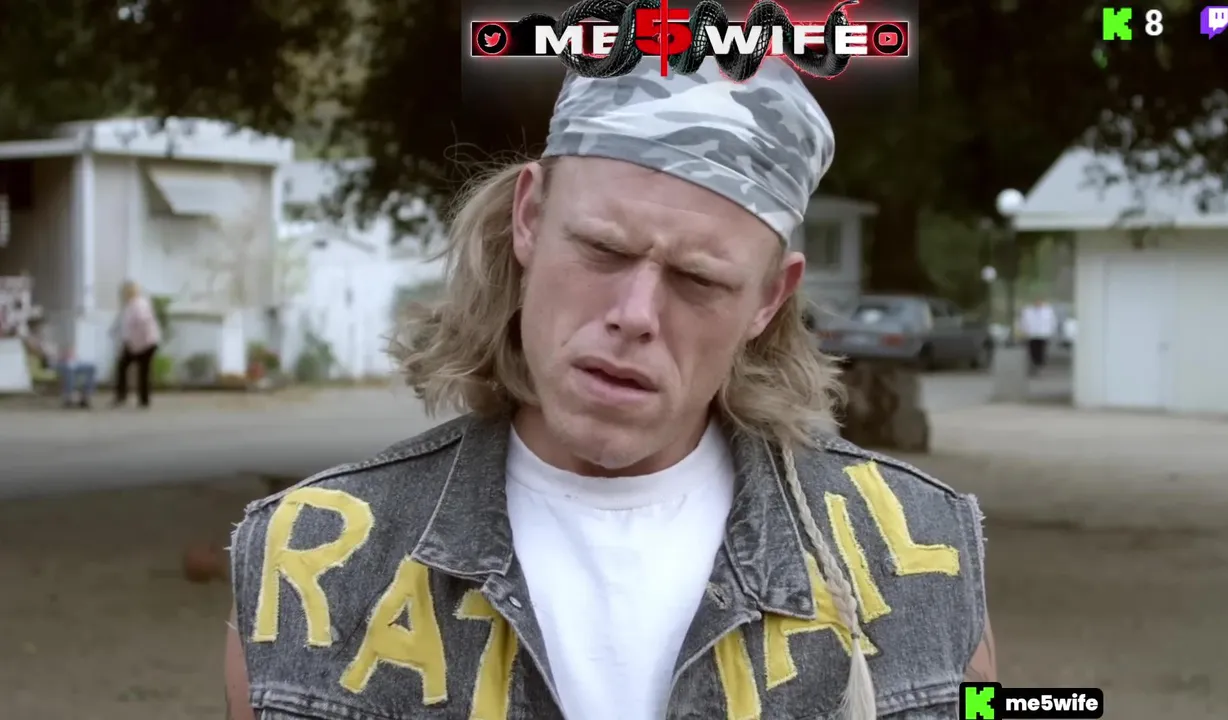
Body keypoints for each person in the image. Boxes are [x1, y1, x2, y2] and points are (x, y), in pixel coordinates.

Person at [224, 58, 994, 720]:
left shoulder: (921, 560)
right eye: (601, 249)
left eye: (698, 279)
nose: (635, 315)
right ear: (530, 218)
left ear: (769, 299)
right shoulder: (307, 567)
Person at [20, 315, 96, 408]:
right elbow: (39, 354)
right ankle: (68, 397)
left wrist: (64, 354)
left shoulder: (45, 338)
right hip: (48, 363)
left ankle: (86, 396)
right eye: (39, 326)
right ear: (33, 326)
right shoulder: (30, 339)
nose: (42, 328)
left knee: (90, 368)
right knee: (68, 370)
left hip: (61, 360)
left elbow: (55, 350)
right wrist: (50, 354)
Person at [112, 280, 161, 408]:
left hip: (144, 343)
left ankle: (133, 398)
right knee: (134, 369)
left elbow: (142, 322)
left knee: (135, 369)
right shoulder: (132, 304)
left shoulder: (138, 304)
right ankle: (138, 399)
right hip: (140, 343)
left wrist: (134, 342)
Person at [1018, 297, 1057, 374]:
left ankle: (1039, 364)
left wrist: (1051, 331)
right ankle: (1034, 364)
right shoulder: (1028, 311)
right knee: (1033, 350)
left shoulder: (1047, 311)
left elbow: (1052, 322)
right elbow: (1023, 321)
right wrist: (1023, 330)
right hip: (1032, 334)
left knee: (1041, 350)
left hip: (1043, 334)